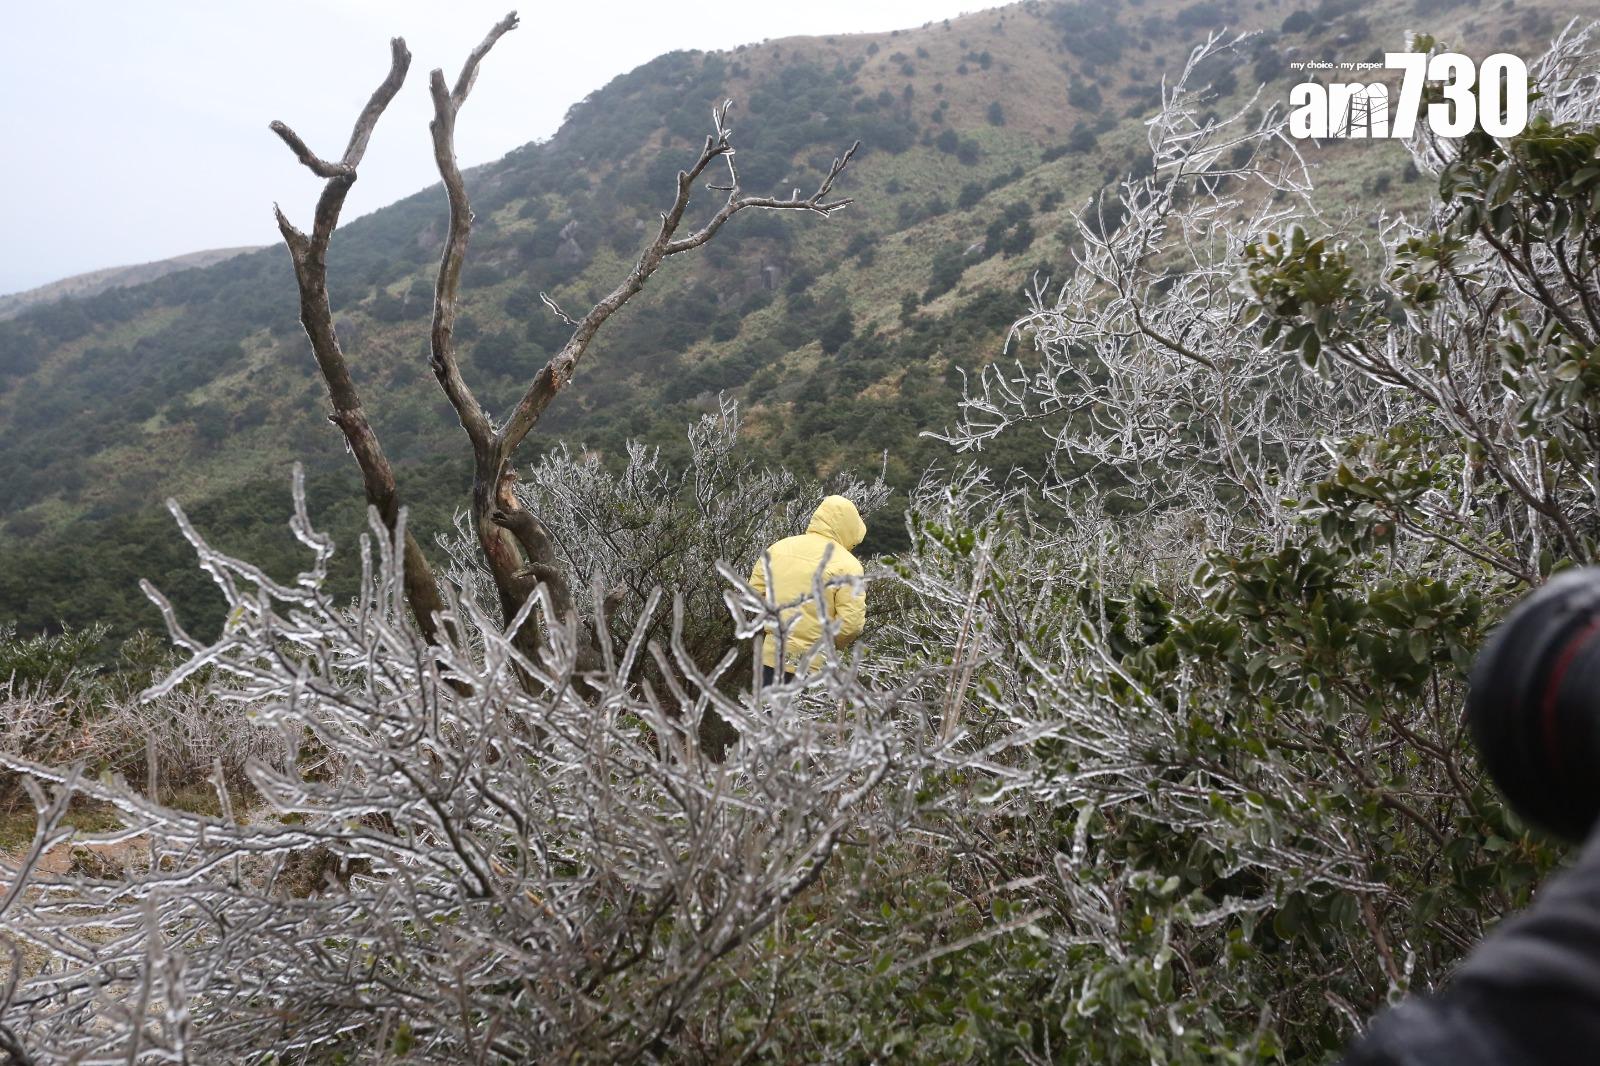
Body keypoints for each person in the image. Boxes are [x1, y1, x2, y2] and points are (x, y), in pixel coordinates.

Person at [748, 495, 867, 686]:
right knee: (808, 716)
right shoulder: (848, 565)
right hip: (815, 666)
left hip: (772, 658)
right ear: (851, 527)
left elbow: (754, 595)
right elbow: (850, 624)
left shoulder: (778, 548)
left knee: (769, 714)